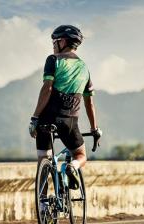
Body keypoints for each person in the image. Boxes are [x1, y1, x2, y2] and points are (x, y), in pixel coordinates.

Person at [29, 25, 101, 189]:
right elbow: (89, 102)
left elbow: (47, 88)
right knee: (80, 155)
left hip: (46, 118)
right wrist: (94, 129)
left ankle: (43, 204)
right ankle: (72, 167)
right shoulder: (84, 68)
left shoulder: (53, 60)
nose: (53, 45)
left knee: (43, 159)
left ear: (63, 41)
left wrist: (34, 118)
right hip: (69, 121)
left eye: (55, 41)